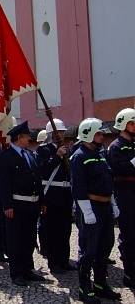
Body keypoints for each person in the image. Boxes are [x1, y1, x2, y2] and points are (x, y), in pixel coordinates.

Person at [71, 118, 121, 303]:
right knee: (88, 250)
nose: (102, 136)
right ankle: (85, 288)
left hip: (105, 206)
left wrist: (113, 204)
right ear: (88, 134)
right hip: (90, 208)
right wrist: (87, 212)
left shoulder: (101, 154)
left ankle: (100, 285)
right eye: (99, 133)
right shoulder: (79, 156)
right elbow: (78, 188)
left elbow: (109, 181)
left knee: (105, 247)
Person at [0, 121, 45, 286]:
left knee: (29, 238)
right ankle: (16, 273)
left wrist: (41, 201)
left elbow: (37, 180)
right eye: (26, 137)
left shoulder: (30, 155)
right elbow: (4, 184)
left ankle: (27, 269)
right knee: (15, 240)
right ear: (19, 137)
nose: (29, 139)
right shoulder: (6, 156)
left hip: (32, 205)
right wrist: (7, 205)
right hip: (16, 205)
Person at [36, 119, 76, 274]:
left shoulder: (68, 150)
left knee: (66, 230)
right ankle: (54, 263)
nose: (59, 135)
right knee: (52, 231)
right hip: (51, 195)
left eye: (61, 132)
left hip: (66, 195)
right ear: (50, 134)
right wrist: (57, 156)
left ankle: (64, 260)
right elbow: (42, 171)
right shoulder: (43, 150)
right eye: (56, 132)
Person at [107, 108, 135, 289]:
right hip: (126, 194)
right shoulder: (116, 146)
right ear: (125, 124)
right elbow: (120, 169)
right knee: (130, 235)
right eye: (133, 122)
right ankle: (130, 273)